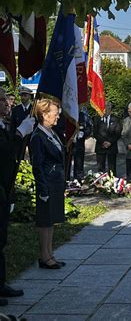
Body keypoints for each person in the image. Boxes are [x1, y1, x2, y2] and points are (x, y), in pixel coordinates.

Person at [0, 88, 34, 306]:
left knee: (1, 238)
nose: (7, 103)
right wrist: (20, 133)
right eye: (2, 100)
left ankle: (0, 282)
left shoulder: (3, 125)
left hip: (4, 187)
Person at [30, 99, 66, 270]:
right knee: (45, 221)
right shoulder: (38, 136)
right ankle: (44, 257)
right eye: (55, 112)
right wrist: (43, 188)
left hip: (55, 183)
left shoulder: (51, 133)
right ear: (44, 114)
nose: (58, 115)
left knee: (51, 220)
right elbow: (37, 165)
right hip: (47, 184)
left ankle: (49, 254)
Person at [93, 101, 122, 176]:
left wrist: (109, 142)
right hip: (100, 146)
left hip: (112, 147)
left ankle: (112, 184)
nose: (105, 110)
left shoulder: (116, 119)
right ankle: (100, 184)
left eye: (107, 108)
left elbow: (118, 132)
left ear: (110, 109)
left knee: (112, 168)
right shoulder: (97, 119)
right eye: (104, 108)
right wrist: (103, 142)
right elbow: (95, 132)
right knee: (100, 168)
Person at [72, 108, 92, 181]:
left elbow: (89, 128)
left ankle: (78, 180)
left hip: (79, 143)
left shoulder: (83, 116)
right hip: (69, 143)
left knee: (79, 163)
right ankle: (66, 180)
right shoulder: (68, 113)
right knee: (66, 163)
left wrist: (84, 134)